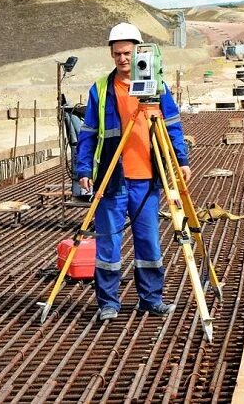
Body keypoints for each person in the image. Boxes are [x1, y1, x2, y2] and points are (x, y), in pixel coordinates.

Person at [76, 22, 192, 321]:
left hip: (147, 178)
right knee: (108, 244)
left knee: (148, 241)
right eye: (117, 54)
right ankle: (108, 303)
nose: (123, 59)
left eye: (128, 53)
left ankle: (151, 299)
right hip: (112, 178)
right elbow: (88, 132)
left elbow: (173, 126)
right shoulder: (101, 89)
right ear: (111, 54)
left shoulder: (158, 87)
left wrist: (181, 160)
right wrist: (84, 167)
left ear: (141, 52)